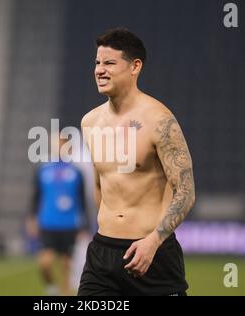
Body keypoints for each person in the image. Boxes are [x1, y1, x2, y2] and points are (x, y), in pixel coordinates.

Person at [78, 28, 196, 296]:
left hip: (153, 255)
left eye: (109, 63)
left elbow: (186, 191)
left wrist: (153, 241)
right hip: (102, 256)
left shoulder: (160, 120)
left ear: (135, 67)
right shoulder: (89, 122)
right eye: (97, 63)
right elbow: (100, 183)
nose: (99, 70)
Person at [26, 136, 90, 296]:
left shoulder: (76, 172)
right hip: (48, 223)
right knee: (44, 262)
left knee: (66, 264)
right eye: (57, 144)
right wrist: (32, 218)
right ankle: (51, 288)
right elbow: (36, 196)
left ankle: (65, 293)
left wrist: (84, 225)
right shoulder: (43, 170)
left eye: (63, 144)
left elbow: (82, 200)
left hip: (69, 224)